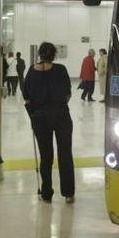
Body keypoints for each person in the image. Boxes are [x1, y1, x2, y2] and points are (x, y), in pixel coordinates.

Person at [23, 42, 75, 204]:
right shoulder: (61, 70)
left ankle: (46, 193)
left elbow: (26, 96)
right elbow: (67, 93)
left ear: (39, 54)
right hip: (61, 116)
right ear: (54, 55)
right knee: (65, 154)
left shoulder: (31, 71)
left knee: (46, 157)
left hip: (40, 118)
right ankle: (68, 193)